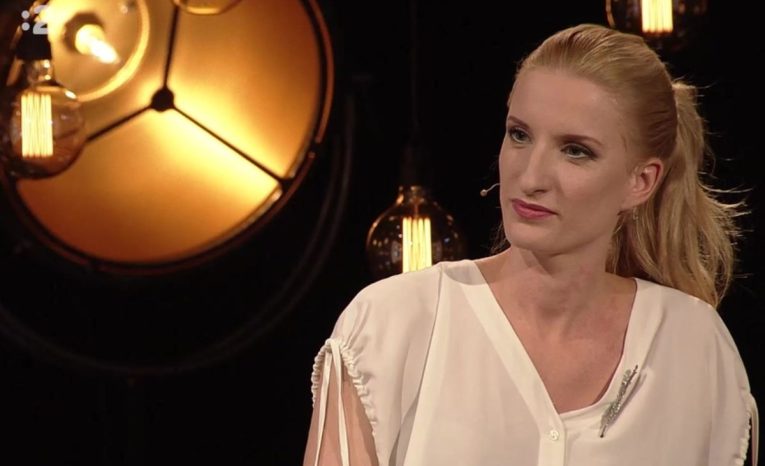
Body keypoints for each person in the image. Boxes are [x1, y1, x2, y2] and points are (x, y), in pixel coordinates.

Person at [302, 23, 759, 466]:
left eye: (575, 150)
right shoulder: (394, 324)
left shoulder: (694, 346)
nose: (531, 176)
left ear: (640, 181)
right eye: (519, 135)